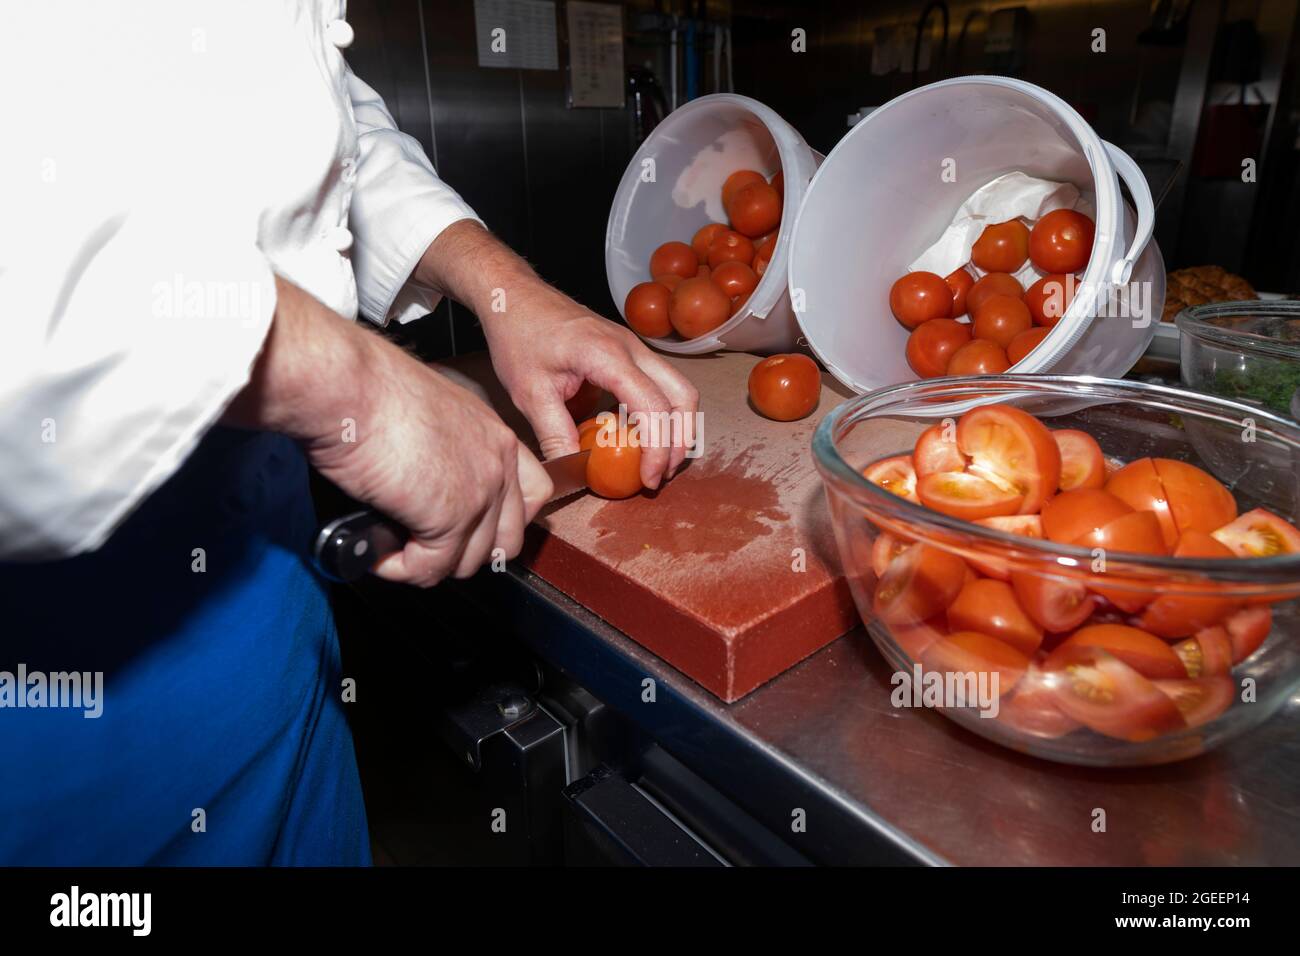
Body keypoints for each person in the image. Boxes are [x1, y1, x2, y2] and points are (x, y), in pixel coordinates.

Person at [0, 3, 697, 864]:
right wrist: (354, 384)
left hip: (275, 605)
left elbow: (325, 127)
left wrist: (504, 288)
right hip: (59, 682)